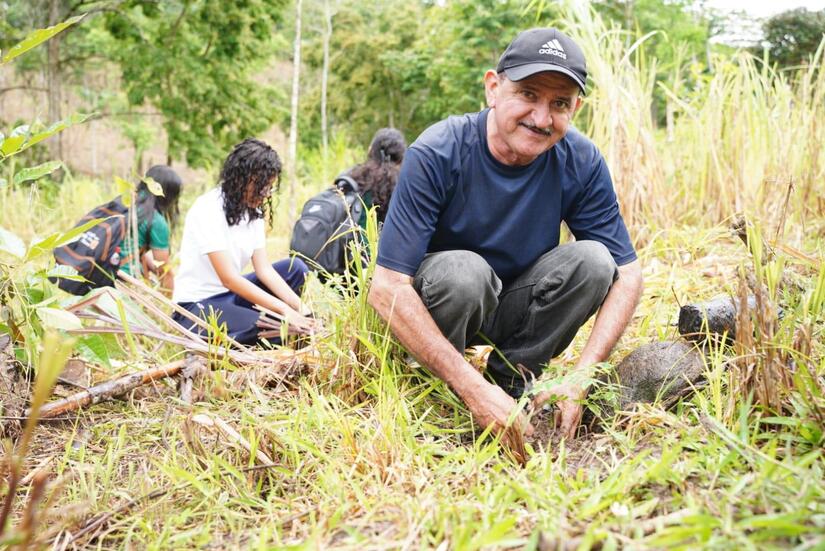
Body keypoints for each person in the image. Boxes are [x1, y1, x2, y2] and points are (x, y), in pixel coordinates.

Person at [368, 28, 643, 440]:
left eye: (559, 103)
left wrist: (582, 378)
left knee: (594, 261)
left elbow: (629, 275)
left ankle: (512, 380)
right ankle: (444, 388)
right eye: (528, 94)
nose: (541, 118)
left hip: (513, 304)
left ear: (576, 108)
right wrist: (471, 388)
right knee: (466, 273)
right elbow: (386, 287)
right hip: (446, 305)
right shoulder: (438, 151)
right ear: (493, 88)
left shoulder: (581, 161)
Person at [172, 138, 317, 345]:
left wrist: (303, 310)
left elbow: (264, 269)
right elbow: (228, 278)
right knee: (276, 329)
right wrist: (284, 309)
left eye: (269, 188)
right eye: (261, 187)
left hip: (231, 297)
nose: (265, 194)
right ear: (241, 179)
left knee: (296, 268)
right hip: (198, 306)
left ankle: (272, 327)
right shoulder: (208, 208)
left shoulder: (253, 212)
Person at [119, 165, 183, 294]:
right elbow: (164, 272)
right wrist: (167, 307)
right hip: (122, 283)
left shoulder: (123, 203)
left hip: (99, 272)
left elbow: (130, 248)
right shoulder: (156, 220)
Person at [349, 127, 406, 227]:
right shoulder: (405, 185)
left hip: (353, 241)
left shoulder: (355, 178)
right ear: (401, 156)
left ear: (370, 151)